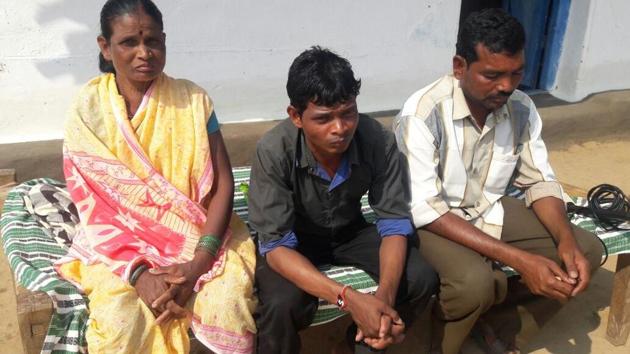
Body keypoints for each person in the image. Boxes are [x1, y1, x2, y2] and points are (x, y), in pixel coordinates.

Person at [393, 8, 603, 354]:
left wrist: (565, 239)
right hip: (431, 222)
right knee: (473, 284)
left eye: (516, 73)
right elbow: (426, 209)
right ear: (459, 66)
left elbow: (538, 182)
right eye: (492, 75)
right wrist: (521, 260)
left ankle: (502, 327)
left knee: (586, 251)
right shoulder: (423, 113)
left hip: (489, 209)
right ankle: (442, 345)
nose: (506, 86)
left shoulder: (520, 108)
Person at [58, 1, 256, 353]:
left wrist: (197, 265)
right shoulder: (87, 109)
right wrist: (138, 275)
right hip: (117, 248)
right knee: (119, 320)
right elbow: (95, 205)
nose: (144, 53)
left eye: (152, 41)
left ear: (164, 41)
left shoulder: (193, 100)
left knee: (227, 302)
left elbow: (223, 183)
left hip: (197, 238)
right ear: (105, 46)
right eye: (128, 42)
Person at [248, 46, 438, 354]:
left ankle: (362, 343)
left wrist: (384, 299)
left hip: (350, 231)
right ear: (296, 116)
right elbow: (276, 247)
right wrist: (348, 298)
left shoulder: (377, 139)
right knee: (283, 304)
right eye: (323, 119)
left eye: (348, 113)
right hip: (294, 240)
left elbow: (392, 222)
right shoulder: (273, 150)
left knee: (420, 278)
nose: (340, 128)